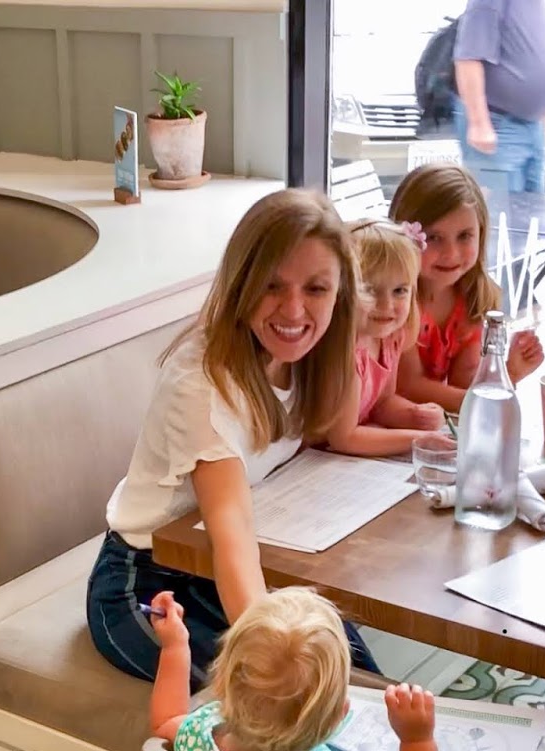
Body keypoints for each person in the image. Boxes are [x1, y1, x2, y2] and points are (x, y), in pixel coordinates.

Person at [86, 188, 381, 687]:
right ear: (242, 283)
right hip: (149, 583)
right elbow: (232, 533)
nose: (294, 309)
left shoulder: (307, 356)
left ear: (340, 294)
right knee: (277, 701)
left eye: (316, 289)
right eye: (272, 285)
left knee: (363, 681)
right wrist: (275, 662)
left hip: (240, 559)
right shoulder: (200, 385)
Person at [147, 588, 441, 751]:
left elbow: (166, 719)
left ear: (221, 684)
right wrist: (417, 741)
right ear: (338, 716)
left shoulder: (198, 737)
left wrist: (174, 646)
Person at [389, 163, 544, 412]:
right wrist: (491, 397)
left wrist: (508, 373)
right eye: (433, 237)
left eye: (464, 236)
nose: (451, 254)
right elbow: (409, 387)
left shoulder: (471, 299)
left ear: (480, 233)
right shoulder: (395, 301)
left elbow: (463, 382)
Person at [324, 219, 452, 458]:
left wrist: (414, 414)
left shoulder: (389, 338)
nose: (386, 305)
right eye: (370, 290)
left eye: (399, 291)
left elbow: (381, 403)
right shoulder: (345, 353)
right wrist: (419, 439)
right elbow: (344, 437)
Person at [452, 0, 545, 194]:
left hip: (533, 126)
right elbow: (468, 58)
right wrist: (479, 123)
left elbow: (525, 50)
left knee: (534, 209)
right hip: (499, 127)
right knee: (499, 209)